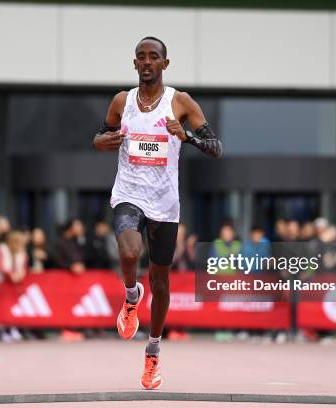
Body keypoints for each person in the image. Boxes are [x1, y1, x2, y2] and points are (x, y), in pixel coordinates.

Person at [92, 36, 222, 389]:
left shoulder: (180, 102)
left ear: (166, 64)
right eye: (141, 57)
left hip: (165, 203)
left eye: (154, 57)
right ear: (134, 64)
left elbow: (216, 148)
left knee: (161, 284)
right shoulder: (122, 101)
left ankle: (152, 354)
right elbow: (102, 135)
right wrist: (99, 142)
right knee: (130, 250)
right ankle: (131, 296)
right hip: (129, 193)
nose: (147, 62)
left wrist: (189, 138)